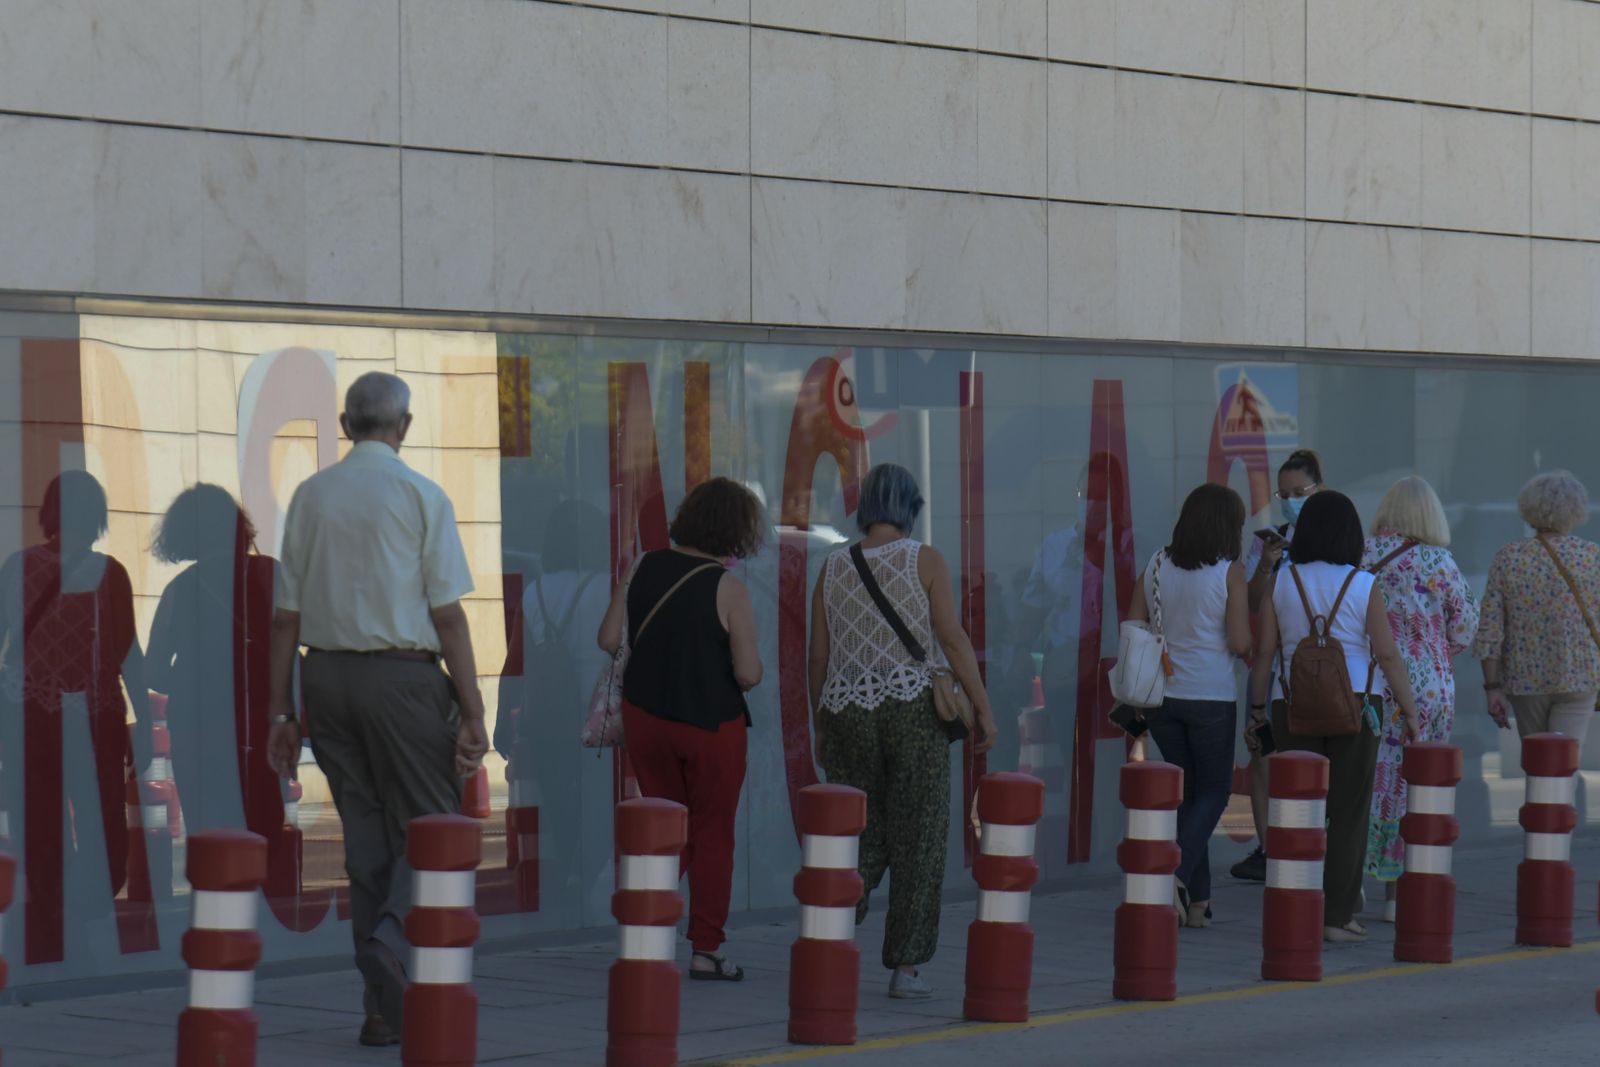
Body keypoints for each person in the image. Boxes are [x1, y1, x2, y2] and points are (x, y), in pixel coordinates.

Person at [265, 372, 488, 1048]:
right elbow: (448, 616)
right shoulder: (421, 494)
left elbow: (284, 619)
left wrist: (281, 712)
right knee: (431, 823)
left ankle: (380, 1009)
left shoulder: (308, 497)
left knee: (366, 842)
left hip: (324, 677)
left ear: (343, 423)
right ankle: (392, 941)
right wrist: (475, 710)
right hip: (403, 677)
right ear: (405, 426)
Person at [808, 463, 997, 999]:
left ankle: (834, 923)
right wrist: (983, 708)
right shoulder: (925, 559)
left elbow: (817, 655)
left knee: (858, 830)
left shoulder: (832, 566)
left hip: (847, 710)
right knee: (920, 834)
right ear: (910, 507)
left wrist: (821, 719)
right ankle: (906, 967)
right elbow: (953, 640)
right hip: (914, 710)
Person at [597, 477, 765, 982]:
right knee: (712, 833)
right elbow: (748, 673)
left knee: (667, 829)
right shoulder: (729, 587)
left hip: (646, 719)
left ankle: (643, 920)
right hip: (711, 725)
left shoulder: (645, 565)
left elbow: (608, 638)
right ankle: (706, 949)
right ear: (735, 532)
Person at [1248, 491, 1422, 943]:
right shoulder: (1364, 585)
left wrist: (1255, 711)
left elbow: (1265, 654)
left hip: (1292, 707)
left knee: (1299, 811)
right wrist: (1409, 709)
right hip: (1358, 708)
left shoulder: (1281, 581)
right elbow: (1386, 653)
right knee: (1348, 813)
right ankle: (1337, 915)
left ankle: (1294, 906)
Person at [0, 471, 153, 965]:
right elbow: (131, 654)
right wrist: (145, 723)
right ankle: (83, 918)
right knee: (103, 824)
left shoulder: (17, 568)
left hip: (31, 715)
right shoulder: (111, 573)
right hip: (94, 717)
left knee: (39, 824)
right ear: (97, 517)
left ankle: (52, 923)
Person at [1126, 484, 1251, 928]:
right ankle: (1173, 874)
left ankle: (1198, 903)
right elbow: (1239, 642)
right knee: (1215, 793)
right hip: (1211, 695)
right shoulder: (1229, 572)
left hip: (1163, 697)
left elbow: (1134, 621)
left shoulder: (1157, 563)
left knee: (1188, 794)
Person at [1362, 477, 1478, 922]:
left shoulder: (1365, 556)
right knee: (1419, 786)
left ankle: (1356, 879)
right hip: (1429, 688)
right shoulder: (1439, 562)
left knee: (1372, 784)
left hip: (1372, 683)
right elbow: (1465, 628)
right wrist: (1433, 648)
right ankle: (1400, 894)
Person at [1233, 448, 1325, 882]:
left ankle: (1314, 844)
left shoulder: (1336, 538)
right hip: (1272, 672)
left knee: (1316, 760)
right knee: (1264, 756)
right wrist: (1267, 566)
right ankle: (1268, 847)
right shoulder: (1268, 538)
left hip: (1322, 674)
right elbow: (1251, 601)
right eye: (1282, 492)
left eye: (1298, 491)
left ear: (1318, 489)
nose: (1290, 500)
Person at [1474, 470, 1600, 750]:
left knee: (1537, 760)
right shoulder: (1592, 557)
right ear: (1576, 510)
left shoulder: (1509, 558)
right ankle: (1561, 794)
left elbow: (1491, 629)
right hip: (1579, 675)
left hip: (1525, 679)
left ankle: (1542, 794)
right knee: (1564, 763)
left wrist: (1492, 686)